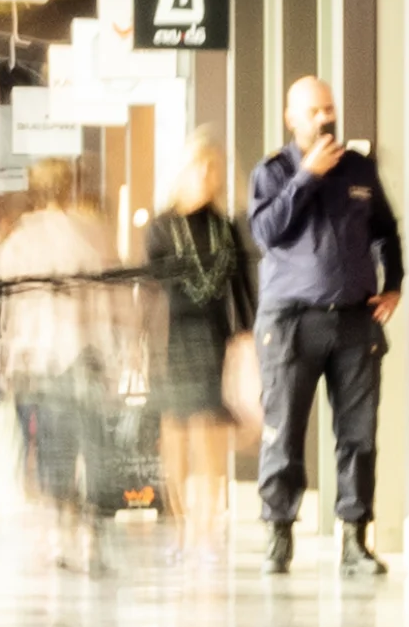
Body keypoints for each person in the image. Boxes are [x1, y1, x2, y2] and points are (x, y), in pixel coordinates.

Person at [248, 77, 404, 576]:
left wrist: (394, 281)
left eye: (330, 109)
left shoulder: (359, 168)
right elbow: (266, 233)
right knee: (284, 432)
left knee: (358, 435)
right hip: (291, 322)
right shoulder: (273, 172)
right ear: (291, 118)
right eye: (313, 111)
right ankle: (279, 534)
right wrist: (306, 178)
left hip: (356, 321)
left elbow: (386, 230)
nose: (324, 118)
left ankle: (354, 540)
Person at [0, 158, 131, 575]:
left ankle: (61, 535)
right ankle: (93, 539)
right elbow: (119, 301)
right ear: (70, 188)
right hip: (91, 354)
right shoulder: (94, 234)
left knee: (52, 451)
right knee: (95, 447)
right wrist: (126, 349)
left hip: (39, 361)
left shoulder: (19, 240)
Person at [143, 133, 258, 568]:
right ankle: (181, 527)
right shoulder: (160, 227)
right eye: (202, 167)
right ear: (185, 170)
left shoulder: (225, 227)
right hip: (171, 341)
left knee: (209, 440)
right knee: (175, 440)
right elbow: (152, 291)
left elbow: (243, 289)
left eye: (216, 169)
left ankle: (207, 532)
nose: (210, 176)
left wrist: (246, 336)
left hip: (214, 340)